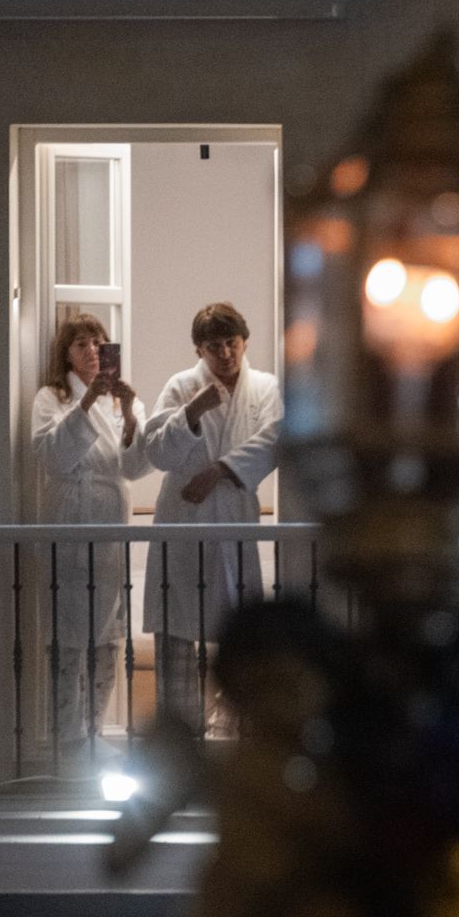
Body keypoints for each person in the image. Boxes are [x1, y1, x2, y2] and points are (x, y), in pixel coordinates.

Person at [142, 302, 282, 729]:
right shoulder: (181, 386)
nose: (225, 354)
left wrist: (221, 469)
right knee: (179, 624)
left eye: (232, 343)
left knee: (239, 628)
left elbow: (276, 438)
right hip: (183, 518)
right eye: (214, 346)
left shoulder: (265, 387)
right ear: (198, 350)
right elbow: (156, 452)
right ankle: (181, 728)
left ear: (245, 342)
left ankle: (237, 724)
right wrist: (193, 412)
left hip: (234, 516)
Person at [30, 312, 151, 762]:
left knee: (108, 633)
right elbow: (54, 457)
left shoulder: (122, 401)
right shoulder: (52, 397)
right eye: (80, 343)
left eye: (98, 342)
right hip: (68, 521)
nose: (91, 351)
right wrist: (85, 405)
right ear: (66, 352)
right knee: (67, 633)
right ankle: (68, 740)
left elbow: (137, 465)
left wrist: (131, 414)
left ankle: (94, 732)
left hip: (109, 528)